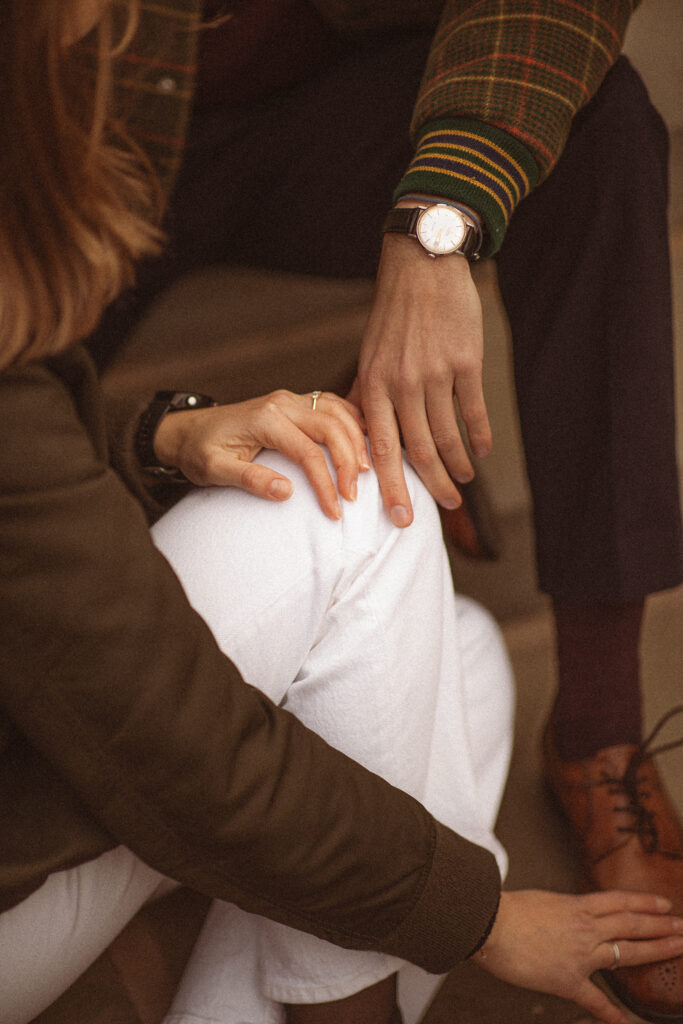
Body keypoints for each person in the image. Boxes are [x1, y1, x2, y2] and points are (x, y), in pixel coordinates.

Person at [1, 2, 682, 1023]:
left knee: (466, 662)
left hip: (308, 117)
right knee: (355, 497)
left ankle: (594, 732)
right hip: (101, 149)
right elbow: (184, 751)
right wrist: (482, 920)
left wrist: (437, 213)